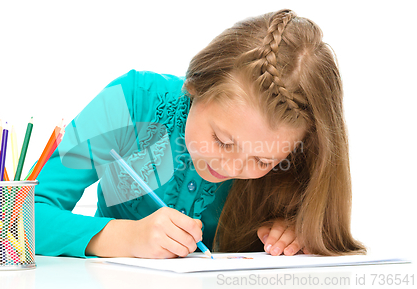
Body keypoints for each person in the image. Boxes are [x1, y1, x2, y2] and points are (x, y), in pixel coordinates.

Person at [34, 9, 366, 259]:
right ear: (195, 86)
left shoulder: (296, 158)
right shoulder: (130, 101)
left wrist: (296, 233)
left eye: (263, 160)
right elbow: (16, 216)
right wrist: (124, 237)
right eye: (222, 141)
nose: (233, 168)